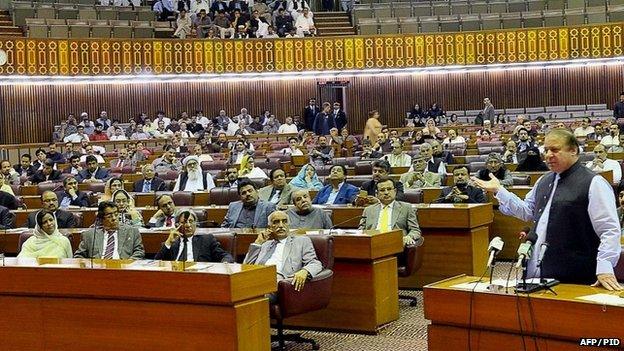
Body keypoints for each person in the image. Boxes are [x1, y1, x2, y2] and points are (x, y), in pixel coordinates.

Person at [473, 129, 622, 290]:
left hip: (576, 275)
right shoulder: (544, 180)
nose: (548, 155)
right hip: (536, 274)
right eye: (546, 150)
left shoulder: (594, 183)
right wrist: (499, 190)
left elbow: (609, 229)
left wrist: (605, 266)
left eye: (555, 150)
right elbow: (527, 211)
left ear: (573, 150)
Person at [243, 210, 322, 293]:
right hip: (256, 278)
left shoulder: (301, 241)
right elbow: (246, 266)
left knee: (249, 294)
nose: (281, 225)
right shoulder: (265, 244)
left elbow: (315, 263)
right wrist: (258, 243)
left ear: (289, 225)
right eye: (276, 222)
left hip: (278, 281)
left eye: (284, 221)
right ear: (269, 227)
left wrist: (305, 271)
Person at [359, 178, 422, 247]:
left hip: (395, 244)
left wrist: (409, 237)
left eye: (389, 189)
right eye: (382, 190)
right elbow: (361, 231)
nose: (386, 193)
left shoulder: (406, 208)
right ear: (376, 194)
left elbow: (415, 230)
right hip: (372, 244)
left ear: (395, 191)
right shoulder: (368, 210)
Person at [155, 210, 234, 263]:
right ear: (177, 225)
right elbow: (157, 263)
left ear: (196, 224)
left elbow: (225, 256)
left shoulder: (206, 240)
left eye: (191, 221)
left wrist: (225, 263)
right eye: (184, 222)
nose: (188, 225)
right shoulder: (171, 243)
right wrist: (168, 242)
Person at [74, 202, 145, 259]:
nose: (114, 218)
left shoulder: (132, 232)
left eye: (116, 214)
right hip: (98, 270)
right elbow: (79, 256)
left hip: (124, 269)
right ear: (101, 219)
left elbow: (139, 252)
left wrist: (128, 263)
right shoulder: (89, 235)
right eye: (109, 216)